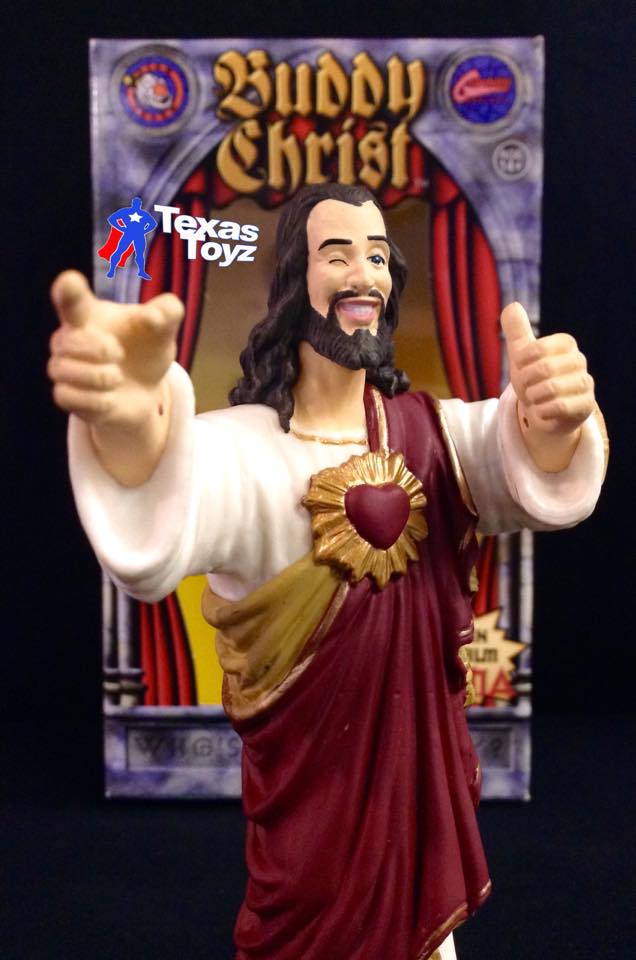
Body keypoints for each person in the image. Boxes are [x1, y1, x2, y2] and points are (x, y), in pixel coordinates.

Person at [48, 184, 605, 960]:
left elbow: (524, 465)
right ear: (290, 281)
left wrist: (554, 417)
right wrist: (129, 420)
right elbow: (168, 497)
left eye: (377, 255)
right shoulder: (247, 452)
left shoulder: (433, 436)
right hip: (309, 830)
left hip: (412, 830)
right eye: (336, 255)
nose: (363, 274)